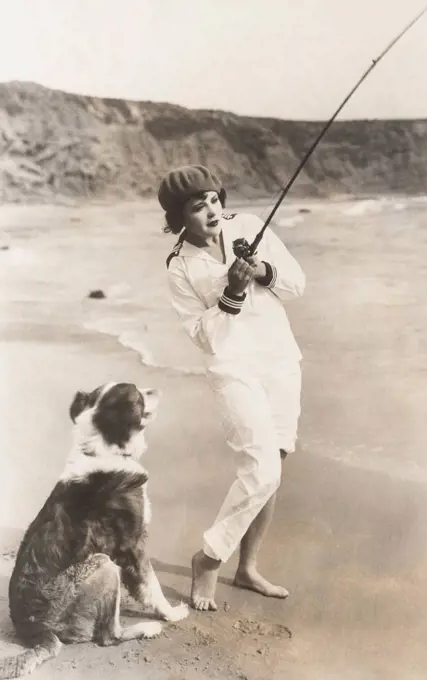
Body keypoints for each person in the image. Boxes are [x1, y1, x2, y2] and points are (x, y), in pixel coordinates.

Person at [159, 165, 305, 611]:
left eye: (213, 200)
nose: (210, 211)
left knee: (272, 469)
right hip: (233, 371)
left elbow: (297, 286)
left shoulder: (249, 227)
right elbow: (205, 336)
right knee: (261, 469)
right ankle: (209, 558)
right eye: (196, 206)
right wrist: (232, 294)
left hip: (280, 361)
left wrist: (261, 269)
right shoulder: (179, 266)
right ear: (178, 217)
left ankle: (248, 568)